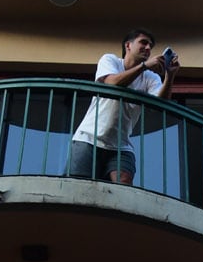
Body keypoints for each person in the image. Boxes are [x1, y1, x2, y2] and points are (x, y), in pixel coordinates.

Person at [66, 28, 180, 184]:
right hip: (88, 139)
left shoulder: (150, 78)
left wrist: (170, 76)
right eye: (143, 43)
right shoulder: (110, 60)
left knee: (124, 183)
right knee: (79, 186)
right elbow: (112, 83)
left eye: (150, 46)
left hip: (121, 146)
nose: (148, 48)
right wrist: (144, 66)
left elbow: (160, 104)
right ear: (128, 45)